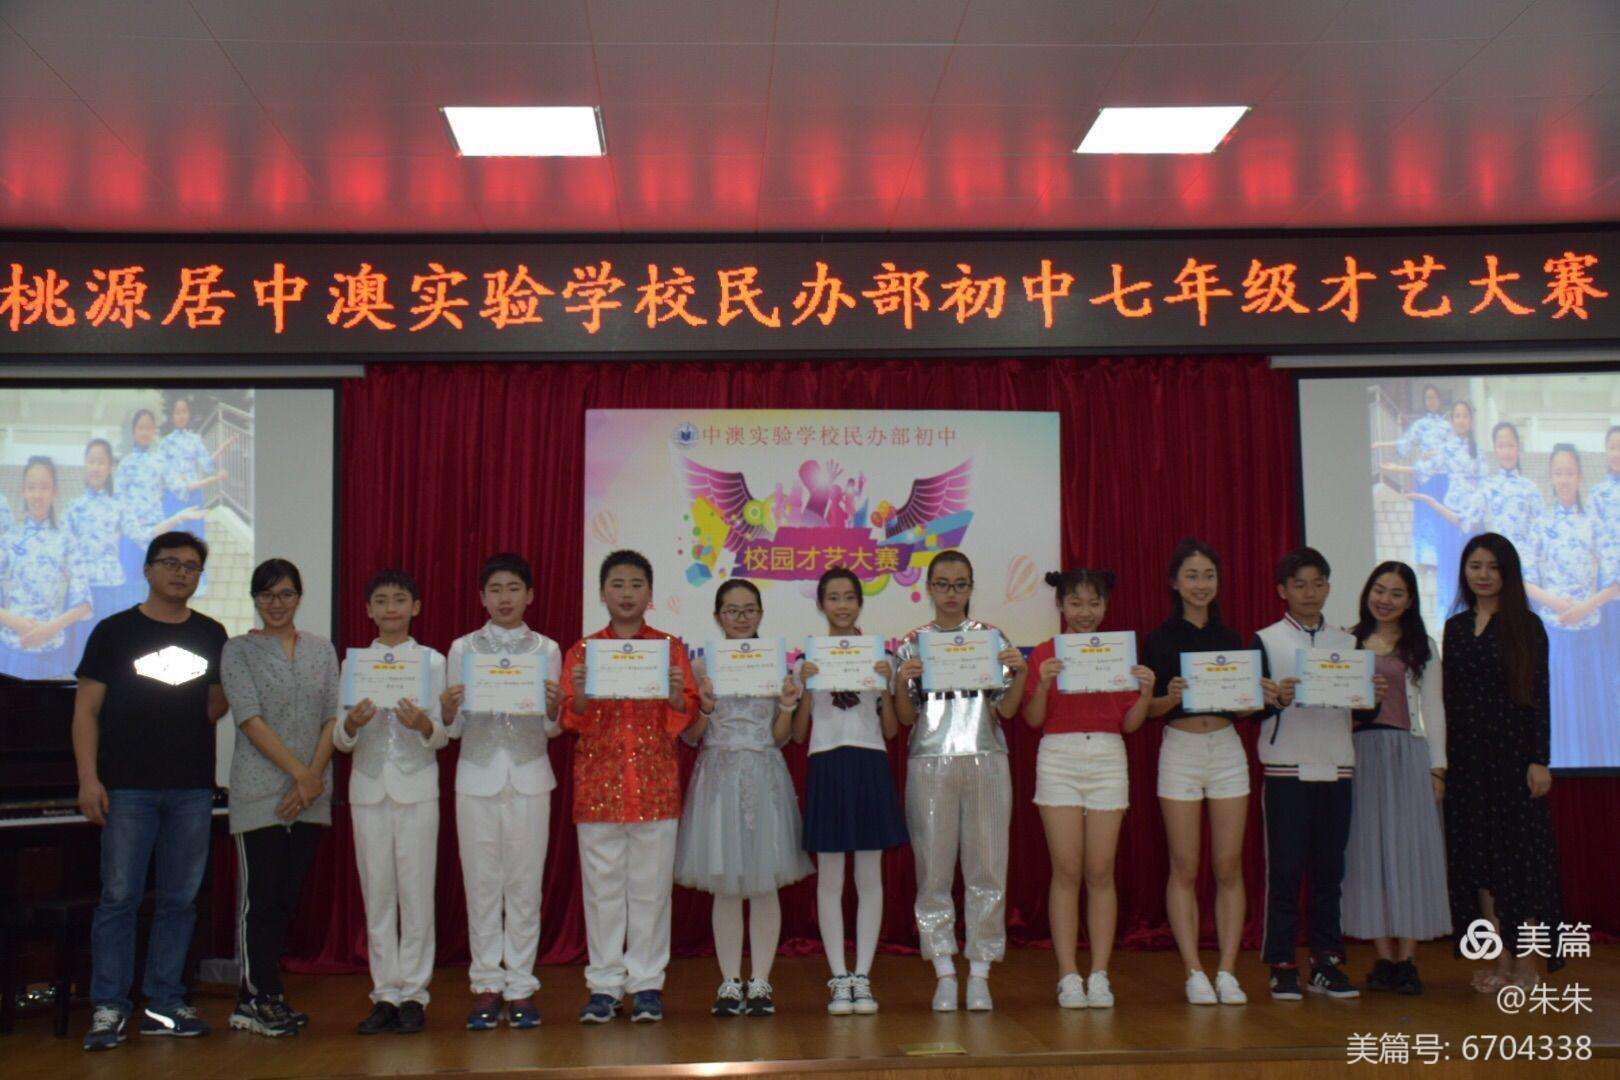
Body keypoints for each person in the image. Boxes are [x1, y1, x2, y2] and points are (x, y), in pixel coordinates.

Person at [74, 531, 229, 1051]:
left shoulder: (211, 633)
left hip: (191, 789)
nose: (181, 573)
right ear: (147, 569)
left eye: (191, 566)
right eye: (171, 563)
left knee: (179, 901)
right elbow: (86, 711)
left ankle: (164, 1004)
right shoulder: (114, 631)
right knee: (119, 899)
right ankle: (109, 1007)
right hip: (127, 789)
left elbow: (214, 706)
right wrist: (88, 778)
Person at [561, 550, 697, 1024]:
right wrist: (580, 696)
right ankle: (603, 985)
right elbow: (570, 718)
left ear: (650, 594)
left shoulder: (669, 648)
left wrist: (677, 695)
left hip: (655, 786)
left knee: (651, 893)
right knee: (601, 894)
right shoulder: (582, 652)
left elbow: (684, 716)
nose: (626, 593)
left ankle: (646, 985)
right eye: (617, 584)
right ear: (602, 593)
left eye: (636, 584)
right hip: (598, 788)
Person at [893, 550, 1029, 1013]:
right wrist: (902, 681)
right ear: (929, 588)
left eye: (960, 584)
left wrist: (1021, 673)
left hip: (986, 757)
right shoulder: (913, 644)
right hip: (930, 760)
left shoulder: (991, 639)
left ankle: (981, 972)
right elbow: (905, 717)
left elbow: (1007, 709)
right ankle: (944, 971)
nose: (951, 593)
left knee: (987, 867)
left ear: (971, 588)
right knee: (933, 869)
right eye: (943, 584)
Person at [676, 579, 813, 1017]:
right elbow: (692, 737)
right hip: (718, 777)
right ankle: (729, 981)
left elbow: (782, 737)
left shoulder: (776, 664)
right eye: (732, 611)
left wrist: (788, 706)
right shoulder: (702, 667)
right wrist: (705, 707)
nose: (741, 618)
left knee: (764, 883)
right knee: (727, 885)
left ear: (760, 613)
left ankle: (761, 982)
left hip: (764, 774)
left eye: (749, 609)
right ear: (718, 616)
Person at [1252, 548, 1380, 1001]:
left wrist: (1372, 697)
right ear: (1282, 590)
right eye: (1300, 584)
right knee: (1285, 871)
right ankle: (1282, 962)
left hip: (1337, 767)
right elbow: (1251, 707)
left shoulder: (1348, 642)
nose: (1310, 593)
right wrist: (1274, 699)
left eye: (1318, 583)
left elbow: (1363, 710)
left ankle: (1327, 962)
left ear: (1329, 587)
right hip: (1286, 768)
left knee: (1329, 872)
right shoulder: (1265, 640)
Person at [1143, 539, 1268, 1007]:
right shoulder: (1159, 639)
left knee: (1228, 865)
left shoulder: (1234, 640)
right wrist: (1169, 697)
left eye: (1209, 575)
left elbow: (1246, 709)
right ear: (1175, 583)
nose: (1201, 584)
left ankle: (1228, 970)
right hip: (1180, 749)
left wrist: (1260, 696)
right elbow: (1148, 710)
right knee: (1184, 865)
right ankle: (1194, 970)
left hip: (1227, 750)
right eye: (1192, 575)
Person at [1022, 569, 1154, 1010]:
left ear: (1105, 606)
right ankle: (1067, 974)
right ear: (1060, 606)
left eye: (1093, 603)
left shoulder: (1119, 654)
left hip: (1107, 756)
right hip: (1058, 756)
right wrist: (1043, 683)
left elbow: (1130, 724)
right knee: (1066, 870)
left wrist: (1146, 694)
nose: (1085, 612)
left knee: (1100, 871)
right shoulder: (1046, 653)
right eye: (1075, 603)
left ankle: (1099, 973)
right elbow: (1033, 720)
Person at [441, 553, 562, 1031]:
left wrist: (553, 708)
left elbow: (552, 728)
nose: (504, 598)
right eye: (495, 589)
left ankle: (521, 985)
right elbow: (453, 729)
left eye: (513, 588)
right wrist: (447, 709)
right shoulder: (462, 649)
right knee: (482, 883)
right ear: (482, 597)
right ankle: (487, 983)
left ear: (530, 595)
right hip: (476, 775)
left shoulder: (547, 649)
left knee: (525, 884)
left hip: (530, 775)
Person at [220, 558, 340, 1037]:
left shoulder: (321, 649)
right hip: (260, 792)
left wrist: (311, 780)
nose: (276, 603)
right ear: (255, 599)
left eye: (286, 594)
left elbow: (333, 717)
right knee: (261, 900)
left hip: (310, 795)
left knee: (287, 901)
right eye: (267, 595)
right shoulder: (238, 650)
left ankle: (271, 996)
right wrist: (301, 775)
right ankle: (253, 999)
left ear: (298, 598)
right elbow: (249, 720)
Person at [1443, 533, 1564, 992]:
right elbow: (1450, 701)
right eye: (1475, 566)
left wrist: (1539, 759)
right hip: (1468, 763)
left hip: (1515, 760)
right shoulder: (1455, 628)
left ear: (1508, 573)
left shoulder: (1527, 626)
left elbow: (1540, 696)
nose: (1484, 575)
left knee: (1520, 863)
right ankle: (1498, 960)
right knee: (1481, 864)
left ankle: (1526, 963)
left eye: (1493, 567)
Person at [331, 570, 447, 1035]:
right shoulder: (354, 664)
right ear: (369, 610)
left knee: (416, 894)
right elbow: (340, 738)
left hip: (417, 786)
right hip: (368, 786)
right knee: (377, 893)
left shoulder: (432, 662)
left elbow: (442, 735)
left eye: (400, 599)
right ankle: (385, 993)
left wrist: (424, 724)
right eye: (381, 600)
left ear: (415, 607)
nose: (391, 608)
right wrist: (352, 724)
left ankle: (414, 993)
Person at [792, 567, 906, 1016]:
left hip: (869, 762)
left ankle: (863, 974)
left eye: (849, 598)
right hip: (826, 762)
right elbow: (798, 734)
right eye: (833, 598)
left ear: (860, 603)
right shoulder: (807, 661)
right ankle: (838, 976)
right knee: (830, 877)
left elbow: (892, 730)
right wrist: (806, 687)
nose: (842, 605)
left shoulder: (881, 658)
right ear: (821, 604)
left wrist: (886, 686)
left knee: (869, 876)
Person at [1342, 562, 1450, 995]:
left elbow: (1434, 709)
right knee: (1367, 853)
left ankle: (1407, 959)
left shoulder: (1423, 646)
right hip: (1359, 756)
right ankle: (1383, 957)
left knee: (1409, 853)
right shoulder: (1345, 642)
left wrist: (1437, 768)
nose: (1385, 599)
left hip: (1407, 755)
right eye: (1379, 590)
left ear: (1410, 601)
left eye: (1397, 593)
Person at [1524, 444, 1617, 767]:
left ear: (1580, 477)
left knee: (1590, 706)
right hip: (1553, 634)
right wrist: (1556, 603)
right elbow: (1525, 581)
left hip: (1590, 634)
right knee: (1556, 704)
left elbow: (1616, 581)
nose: (1564, 479)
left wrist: (1586, 607)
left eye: (1570, 472)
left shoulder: (1594, 523)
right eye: (1558, 472)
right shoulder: (1540, 524)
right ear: (1551, 477)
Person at [0, 456, 91, 678]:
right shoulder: (9, 538)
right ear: (23, 491)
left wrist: (48, 630)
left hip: (52, 652)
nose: (37, 495)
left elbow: (84, 605)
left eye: (44, 487)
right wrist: (16, 622)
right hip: (12, 648)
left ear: (54, 491)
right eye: (31, 487)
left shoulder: (66, 539)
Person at [1396, 400, 1483, 621]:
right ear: (1452, 421)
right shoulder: (1446, 449)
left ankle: (1475, 614)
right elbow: (1424, 468)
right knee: (1449, 566)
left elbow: (1484, 486)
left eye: (1465, 415)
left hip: (1472, 521)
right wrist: (1398, 468)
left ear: (1471, 420)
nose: (1461, 420)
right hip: (1449, 516)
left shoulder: (1479, 451)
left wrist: (1472, 516)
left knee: (1473, 568)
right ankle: (1450, 616)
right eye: (1457, 416)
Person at [116, 410, 201, 610]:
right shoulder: (125, 464)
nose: (144, 432)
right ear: (134, 431)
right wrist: (136, 533)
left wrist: (204, 479)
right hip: (131, 537)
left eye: (148, 428)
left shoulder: (161, 462)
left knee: (157, 588)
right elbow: (120, 502)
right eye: (140, 427)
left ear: (154, 431)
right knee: (130, 590)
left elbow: (179, 488)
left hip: (157, 534)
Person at [65, 440, 132, 653]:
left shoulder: (119, 507)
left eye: (101, 462)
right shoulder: (73, 508)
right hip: (82, 591)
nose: (95, 467)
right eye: (91, 461)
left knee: (110, 652)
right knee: (80, 654)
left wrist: (176, 520)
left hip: (111, 590)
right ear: (85, 464)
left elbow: (142, 536)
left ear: (110, 467)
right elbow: (64, 552)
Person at [1374, 383, 1450, 570]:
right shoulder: (1420, 425)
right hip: (1424, 478)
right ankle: (1425, 559)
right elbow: (1405, 443)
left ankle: (1441, 557)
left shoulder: (1447, 426)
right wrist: (1381, 444)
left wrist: (1435, 454)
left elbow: (1451, 451)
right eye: (1427, 398)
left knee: (1440, 516)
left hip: (1442, 478)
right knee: (1424, 516)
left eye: (1433, 397)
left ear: (1439, 400)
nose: (1431, 401)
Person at [159, 396, 230, 544]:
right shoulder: (165, 443)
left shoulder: (195, 439)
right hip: (174, 495)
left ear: (189, 414)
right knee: (173, 539)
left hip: (194, 495)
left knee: (195, 539)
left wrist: (222, 449)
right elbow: (161, 471)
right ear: (172, 416)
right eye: (177, 412)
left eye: (184, 411)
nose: (181, 416)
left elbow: (207, 464)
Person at [1593, 426, 1620, 759]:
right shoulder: (1598, 494)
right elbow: (1596, 544)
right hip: (1610, 596)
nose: (1617, 453)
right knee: (1613, 662)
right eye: (1612, 447)